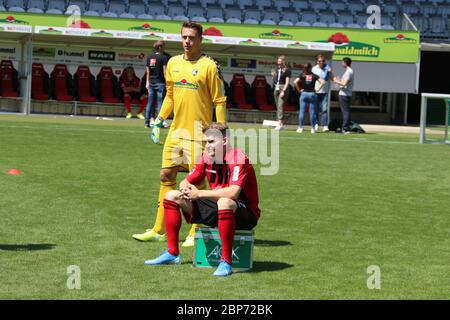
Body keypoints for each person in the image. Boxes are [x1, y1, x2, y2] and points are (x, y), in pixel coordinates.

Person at [132, 22, 227, 247]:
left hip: (199, 134)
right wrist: (159, 121)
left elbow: (219, 101)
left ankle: (195, 231)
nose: (187, 41)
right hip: (176, 132)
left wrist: (220, 130)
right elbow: (170, 96)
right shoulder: (172, 63)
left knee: (197, 182)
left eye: (192, 38)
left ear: (200, 40)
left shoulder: (210, 66)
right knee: (166, 176)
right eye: (184, 37)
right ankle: (158, 230)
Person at [144, 123, 260, 277]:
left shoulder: (238, 158)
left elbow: (233, 192)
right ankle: (172, 253)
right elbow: (186, 181)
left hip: (245, 214)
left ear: (224, 141)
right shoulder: (207, 157)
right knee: (172, 196)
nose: (207, 146)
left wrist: (199, 194)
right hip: (218, 209)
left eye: (211, 142)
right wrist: (185, 188)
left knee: (224, 201)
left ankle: (226, 261)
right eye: (205, 142)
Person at [294, 63, 324, 134]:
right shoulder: (314, 75)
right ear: (310, 68)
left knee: (302, 111)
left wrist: (299, 90)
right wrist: (318, 90)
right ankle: (313, 129)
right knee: (312, 112)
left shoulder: (302, 75)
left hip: (304, 94)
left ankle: (300, 127)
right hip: (312, 94)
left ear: (304, 68)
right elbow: (323, 82)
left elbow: (295, 82)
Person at [145, 40, 168, 128]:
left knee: (150, 103)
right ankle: (159, 123)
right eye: (163, 47)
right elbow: (165, 71)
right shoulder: (163, 57)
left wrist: (147, 82)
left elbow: (147, 71)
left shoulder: (149, 57)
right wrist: (167, 82)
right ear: (160, 47)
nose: (164, 49)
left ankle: (147, 123)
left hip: (151, 83)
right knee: (160, 104)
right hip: (160, 83)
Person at [312, 54, 333, 132]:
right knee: (315, 109)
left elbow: (331, 77)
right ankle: (316, 124)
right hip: (316, 91)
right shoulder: (314, 69)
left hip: (324, 91)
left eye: (323, 61)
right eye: (319, 61)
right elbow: (312, 79)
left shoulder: (327, 67)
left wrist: (330, 72)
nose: (321, 62)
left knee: (324, 109)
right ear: (317, 61)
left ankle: (325, 125)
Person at [333, 57, 354, 134]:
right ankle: (345, 128)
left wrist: (336, 81)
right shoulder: (348, 71)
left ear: (345, 63)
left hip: (344, 94)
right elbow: (344, 82)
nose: (341, 64)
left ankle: (345, 128)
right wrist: (338, 80)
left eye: (342, 62)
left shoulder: (349, 71)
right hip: (345, 93)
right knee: (346, 111)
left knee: (345, 111)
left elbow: (344, 83)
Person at [271, 55, 291, 131]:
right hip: (276, 88)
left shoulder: (287, 70)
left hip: (283, 88)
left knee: (280, 105)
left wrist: (283, 91)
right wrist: (273, 77)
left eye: (280, 62)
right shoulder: (277, 69)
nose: (278, 63)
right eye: (278, 62)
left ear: (283, 62)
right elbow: (275, 80)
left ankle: (279, 124)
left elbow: (287, 82)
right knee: (278, 107)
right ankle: (281, 124)